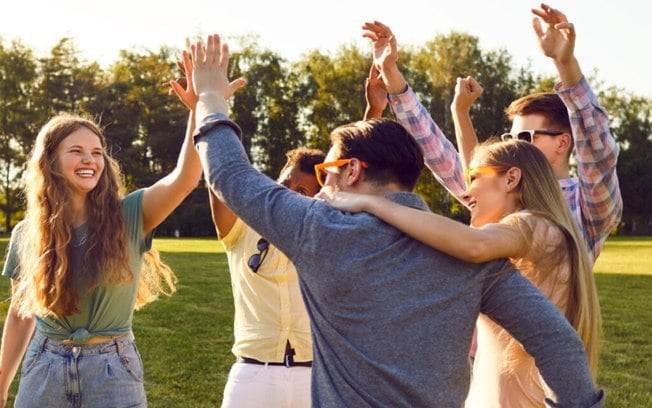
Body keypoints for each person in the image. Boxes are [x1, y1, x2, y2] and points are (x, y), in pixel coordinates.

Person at [189, 33, 604, 407]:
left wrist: (211, 99)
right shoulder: (470, 255)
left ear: (352, 172)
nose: (322, 186)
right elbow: (556, 341)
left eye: (325, 172)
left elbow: (230, 176)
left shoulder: (319, 228)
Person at [319, 138, 602, 407]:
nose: (466, 192)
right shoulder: (541, 230)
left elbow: (473, 245)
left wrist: (372, 203)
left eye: (475, 177)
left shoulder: (533, 225)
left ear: (511, 179)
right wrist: (460, 112)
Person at [0, 66, 205, 407]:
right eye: (76, 151)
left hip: (112, 369)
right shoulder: (27, 232)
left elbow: (185, 179)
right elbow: (22, 313)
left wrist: (199, 109)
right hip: (43, 368)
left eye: (97, 152)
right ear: (50, 161)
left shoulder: (131, 214)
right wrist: (3, 379)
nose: (89, 160)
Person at [362, 3, 623, 262]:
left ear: (563, 142)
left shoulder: (586, 205)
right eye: (509, 138)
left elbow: (597, 149)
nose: (513, 147)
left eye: (525, 138)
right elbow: (438, 155)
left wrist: (565, 63)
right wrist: (392, 75)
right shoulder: (502, 189)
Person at [207, 147, 324, 408]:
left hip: (314, 376)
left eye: (302, 192)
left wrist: (372, 114)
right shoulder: (240, 230)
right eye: (284, 184)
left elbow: (354, 180)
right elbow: (217, 173)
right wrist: (204, 108)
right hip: (252, 374)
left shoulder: (326, 238)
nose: (288, 195)